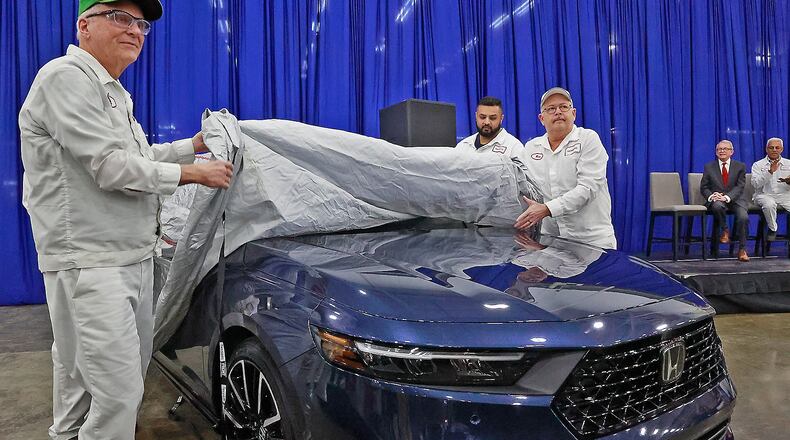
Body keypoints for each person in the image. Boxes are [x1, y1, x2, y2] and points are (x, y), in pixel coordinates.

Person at [18, 1, 233, 439]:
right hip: (92, 263)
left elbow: (138, 156)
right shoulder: (65, 79)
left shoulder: (111, 91)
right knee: (117, 396)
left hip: (127, 258)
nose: (135, 29)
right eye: (120, 17)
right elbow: (110, 167)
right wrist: (194, 173)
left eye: (141, 23)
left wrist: (190, 147)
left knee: (82, 388)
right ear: (85, 25)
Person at [514, 87, 617, 249]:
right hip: (550, 242)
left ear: (573, 113)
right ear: (541, 118)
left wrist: (547, 209)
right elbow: (524, 191)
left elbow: (588, 188)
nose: (558, 112)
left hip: (592, 241)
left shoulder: (588, 139)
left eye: (564, 107)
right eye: (551, 109)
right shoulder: (531, 148)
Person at [700, 140, 749, 261]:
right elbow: (704, 187)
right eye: (719, 149)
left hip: (736, 199)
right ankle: (725, 230)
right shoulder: (709, 166)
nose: (722, 151)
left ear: (731, 152)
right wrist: (712, 196)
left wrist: (727, 197)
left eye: (725, 149)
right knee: (717, 206)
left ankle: (742, 250)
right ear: (716, 152)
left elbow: (740, 186)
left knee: (743, 217)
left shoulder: (740, 166)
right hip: (717, 199)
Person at [454, 96, 524, 161]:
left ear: (501, 118)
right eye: (482, 117)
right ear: (476, 116)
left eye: (492, 118)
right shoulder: (463, 145)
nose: (487, 122)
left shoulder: (514, 147)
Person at [751, 138, 790, 241]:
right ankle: (773, 229)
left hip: (784, 195)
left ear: (782, 149)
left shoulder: (788, 163)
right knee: (769, 204)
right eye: (771, 147)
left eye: (777, 148)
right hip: (764, 195)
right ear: (766, 149)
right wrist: (769, 172)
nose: (774, 150)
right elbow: (755, 184)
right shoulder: (758, 165)